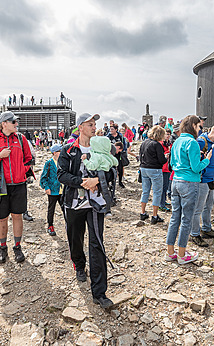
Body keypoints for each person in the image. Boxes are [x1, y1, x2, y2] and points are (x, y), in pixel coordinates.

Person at [57, 113, 114, 309]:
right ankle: (79, 265)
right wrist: (82, 182)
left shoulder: (103, 146)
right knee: (75, 238)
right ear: (80, 127)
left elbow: (112, 171)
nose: (94, 126)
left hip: (96, 203)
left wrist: (97, 181)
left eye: (95, 124)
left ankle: (99, 293)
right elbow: (61, 175)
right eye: (90, 124)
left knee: (97, 243)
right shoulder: (68, 150)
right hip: (74, 203)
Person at [0, 111, 33, 264]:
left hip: (19, 185)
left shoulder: (21, 138)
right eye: (13, 122)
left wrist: (22, 171)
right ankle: (2, 248)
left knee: (17, 216)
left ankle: (17, 247)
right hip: (0, 186)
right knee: (2, 218)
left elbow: (29, 158)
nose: (16, 124)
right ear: (4, 123)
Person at [166, 115, 211, 265]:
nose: (200, 129)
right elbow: (196, 167)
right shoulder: (192, 142)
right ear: (193, 126)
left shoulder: (177, 141)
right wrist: (207, 160)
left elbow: (172, 163)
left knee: (174, 217)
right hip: (189, 182)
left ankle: (170, 252)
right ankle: (182, 254)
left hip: (176, 181)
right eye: (199, 126)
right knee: (186, 219)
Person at [190, 124, 214, 247]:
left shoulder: (213, 143)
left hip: (210, 180)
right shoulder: (201, 142)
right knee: (197, 209)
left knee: (208, 206)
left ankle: (206, 229)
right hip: (201, 181)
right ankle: (194, 233)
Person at [139, 126, 168, 224]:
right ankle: (154, 216)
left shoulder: (144, 142)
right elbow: (162, 160)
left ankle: (143, 213)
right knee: (157, 192)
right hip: (155, 169)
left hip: (144, 168)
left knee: (145, 191)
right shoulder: (157, 145)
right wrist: (166, 157)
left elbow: (140, 156)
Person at [40, 144, 64, 236]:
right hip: (53, 190)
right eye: (59, 151)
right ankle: (50, 225)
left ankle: (69, 225)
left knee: (65, 208)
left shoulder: (63, 162)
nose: (61, 153)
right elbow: (44, 177)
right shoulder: (49, 163)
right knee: (51, 209)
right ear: (54, 153)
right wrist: (46, 187)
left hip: (63, 190)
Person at [107, 124, 127, 188]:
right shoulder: (108, 137)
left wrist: (123, 150)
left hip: (119, 155)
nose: (111, 131)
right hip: (111, 155)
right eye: (110, 129)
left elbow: (124, 144)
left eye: (112, 129)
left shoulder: (120, 136)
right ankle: (112, 182)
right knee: (112, 169)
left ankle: (120, 182)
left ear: (116, 130)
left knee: (120, 168)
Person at [159, 129, 172, 212]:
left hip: (168, 167)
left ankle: (163, 201)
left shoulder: (169, 144)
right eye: (166, 134)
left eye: (168, 134)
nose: (167, 136)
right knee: (163, 187)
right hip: (163, 168)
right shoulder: (161, 144)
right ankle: (161, 204)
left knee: (166, 186)